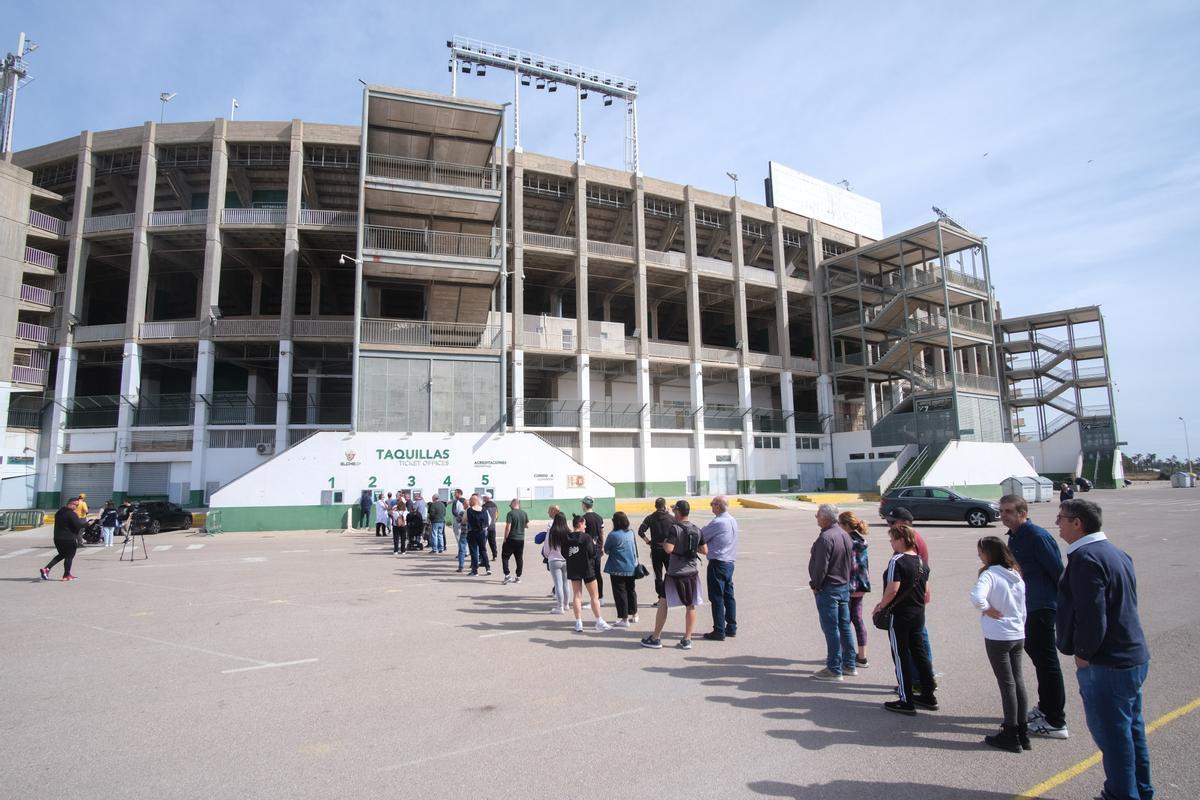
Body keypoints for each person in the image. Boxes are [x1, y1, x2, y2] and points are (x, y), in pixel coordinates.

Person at [1055, 498, 1153, 800]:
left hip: (1107, 663)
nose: (1057, 522)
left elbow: (1092, 614)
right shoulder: (1115, 552)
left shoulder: (1086, 558)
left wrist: (1084, 652)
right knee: (1131, 732)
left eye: (1061, 517)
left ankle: (1122, 795)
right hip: (1131, 656)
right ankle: (1139, 790)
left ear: (1077, 523)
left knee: (1114, 738)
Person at [1000, 494, 1069, 742]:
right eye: (1001, 511)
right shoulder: (1015, 537)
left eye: (1009, 511)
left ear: (1023, 513)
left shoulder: (1038, 536)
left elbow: (1057, 573)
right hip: (1024, 608)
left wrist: (1063, 607)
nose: (1003, 515)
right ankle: (1046, 707)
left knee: (1047, 661)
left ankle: (1055, 720)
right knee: (1039, 660)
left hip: (1041, 608)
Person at [970, 535, 1028, 753]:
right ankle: (1022, 729)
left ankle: (1011, 732)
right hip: (1017, 633)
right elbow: (1022, 606)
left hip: (998, 636)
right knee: (1017, 680)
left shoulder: (990, 574)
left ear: (989, 554)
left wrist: (986, 607)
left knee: (1007, 684)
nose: (979, 556)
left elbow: (977, 597)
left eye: (981, 552)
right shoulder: (1015, 573)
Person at [874, 523, 937, 715]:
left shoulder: (897, 561)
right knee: (919, 653)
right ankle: (928, 694)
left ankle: (906, 699)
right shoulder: (920, 561)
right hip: (918, 613)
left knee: (901, 655)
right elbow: (925, 589)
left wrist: (881, 605)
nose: (891, 543)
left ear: (901, 540)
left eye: (893, 539)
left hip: (900, 614)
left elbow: (893, 588)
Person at [641, 500, 706, 650]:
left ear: (677, 512)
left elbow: (669, 549)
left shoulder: (675, 529)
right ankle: (687, 639)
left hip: (675, 572)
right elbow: (705, 550)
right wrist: (691, 548)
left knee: (663, 603)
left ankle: (656, 637)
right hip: (691, 572)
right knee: (690, 605)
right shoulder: (696, 529)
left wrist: (665, 544)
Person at [886, 507, 936, 692]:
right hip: (916, 598)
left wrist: (883, 605)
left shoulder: (910, 542)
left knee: (915, 643)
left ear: (905, 523)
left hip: (910, 601)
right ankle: (925, 679)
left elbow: (903, 577)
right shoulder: (910, 540)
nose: (889, 526)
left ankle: (919, 681)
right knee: (919, 639)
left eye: (893, 522)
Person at [809, 504, 857, 680]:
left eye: (818, 515)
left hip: (829, 588)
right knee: (844, 626)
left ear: (825, 517)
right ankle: (849, 664)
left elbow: (821, 566)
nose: (816, 517)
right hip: (843, 586)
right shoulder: (844, 535)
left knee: (831, 629)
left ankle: (834, 668)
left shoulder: (827, 538)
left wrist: (816, 584)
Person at [701, 495, 738, 641]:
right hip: (729, 562)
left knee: (717, 597)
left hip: (718, 563)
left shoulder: (718, 522)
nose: (711, 506)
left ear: (717, 506)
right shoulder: (732, 520)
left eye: (712, 504)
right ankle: (731, 627)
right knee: (728, 596)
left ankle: (719, 630)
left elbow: (701, 534)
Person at [565, 514, 611, 632]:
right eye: (584, 524)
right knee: (594, 596)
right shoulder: (586, 538)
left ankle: (578, 622)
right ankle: (598, 620)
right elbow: (592, 553)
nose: (585, 526)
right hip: (587, 569)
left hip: (574, 568)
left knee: (577, 595)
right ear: (580, 524)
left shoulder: (567, 538)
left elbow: (564, 553)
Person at [839, 510, 872, 667]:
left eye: (840, 524)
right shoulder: (862, 540)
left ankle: (846, 654)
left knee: (844, 620)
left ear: (845, 525)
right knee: (857, 619)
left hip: (849, 585)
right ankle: (862, 655)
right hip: (861, 584)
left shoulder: (847, 541)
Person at [603, 511, 638, 627]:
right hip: (631, 566)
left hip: (617, 568)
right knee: (631, 591)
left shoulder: (613, 535)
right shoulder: (631, 533)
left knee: (620, 593)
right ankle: (634, 614)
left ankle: (624, 619)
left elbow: (606, 550)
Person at [637, 497, 674, 603]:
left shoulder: (650, 517)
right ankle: (671, 596)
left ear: (655, 506)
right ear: (664, 505)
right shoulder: (671, 518)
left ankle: (661, 598)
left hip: (656, 549)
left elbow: (641, 531)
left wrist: (648, 542)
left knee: (658, 575)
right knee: (670, 573)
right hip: (668, 550)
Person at [41, 497, 86, 581]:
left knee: (62, 555)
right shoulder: (71, 514)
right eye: (75, 505)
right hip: (68, 538)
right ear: (70, 504)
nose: (76, 507)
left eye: (77, 505)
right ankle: (66, 575)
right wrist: (88, 524)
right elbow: (78, 525)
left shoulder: (59, 512)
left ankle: (46, 569)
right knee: (69, 556)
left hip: (58, 538)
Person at [541, 512, 570, 614]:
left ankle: (560, 607)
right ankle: (566, 605)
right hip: (566, 560)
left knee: (558, 584)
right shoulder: (568, 531)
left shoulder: (551, 532)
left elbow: (546, 548)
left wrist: (547, 556)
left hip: (554, 560)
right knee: (566, 583)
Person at [581, 497, 605, 603]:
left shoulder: (583, 518)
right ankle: (600, 597)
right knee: (597, 573)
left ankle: (594, 599)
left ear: (584, 505)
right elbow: (602, 533)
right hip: (598, 549)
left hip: (588, 550)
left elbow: (581, 535)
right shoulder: (599, 517)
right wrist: (602, 547)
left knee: (590, 575)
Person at [501, 498, 529, 584]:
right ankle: (518, 577)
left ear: (514, 504)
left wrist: (505, 538)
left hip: (511, 538)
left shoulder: (510, 514)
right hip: (521, 539)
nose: (510, 507)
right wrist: (520, 525)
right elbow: (526, 525)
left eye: (510, 505)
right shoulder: (524, 513)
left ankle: (507, 575)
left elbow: (508, 527)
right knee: (519, 558)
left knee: (505, 557)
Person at [465, 494, 492, 576]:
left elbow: (464, 520)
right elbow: (488, 521)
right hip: (482, 532)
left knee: (473, 552)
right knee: (483, 550)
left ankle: (475, 571)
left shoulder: (469, 510)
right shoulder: (484, 509)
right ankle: (488, 568)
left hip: (472, 532)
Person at [452, 489, 468, 572]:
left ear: (459, 493)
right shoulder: (463, 501)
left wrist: (459, 517)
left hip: (459, 521)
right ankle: (466, 552)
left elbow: (454, 512)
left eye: (455, 493)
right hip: (462, 521)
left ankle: (463, 553)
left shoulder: (457, 502)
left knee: (459, 538)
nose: (454, 494)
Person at [483, 495, 499, 561]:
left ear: (487, 498)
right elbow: (497, 515)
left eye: (484, 497)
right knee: (493, 542)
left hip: (485, 527)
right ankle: (494, 555)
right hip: (492, 526)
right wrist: (494, 521)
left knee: (483, 543)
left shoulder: (484, 506)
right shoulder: (495, 505)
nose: (483, 498)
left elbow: (483, 516)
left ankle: (483, 557)